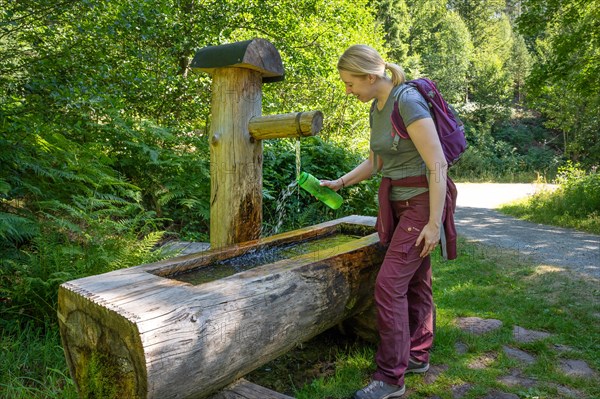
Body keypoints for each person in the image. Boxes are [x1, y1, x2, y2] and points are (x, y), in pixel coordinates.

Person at [320, 44, 450, 399]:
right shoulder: (377, 107)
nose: (348, 92)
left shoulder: (407, 101)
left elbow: (438, 163)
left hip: (421, 203)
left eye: (350, 84)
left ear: (370, 76)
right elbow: (377, 161)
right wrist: (341, 182)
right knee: (416, 281)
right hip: (396, 204)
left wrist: (434, 223)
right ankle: (417, 356)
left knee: (388, 286)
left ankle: (391, 377)